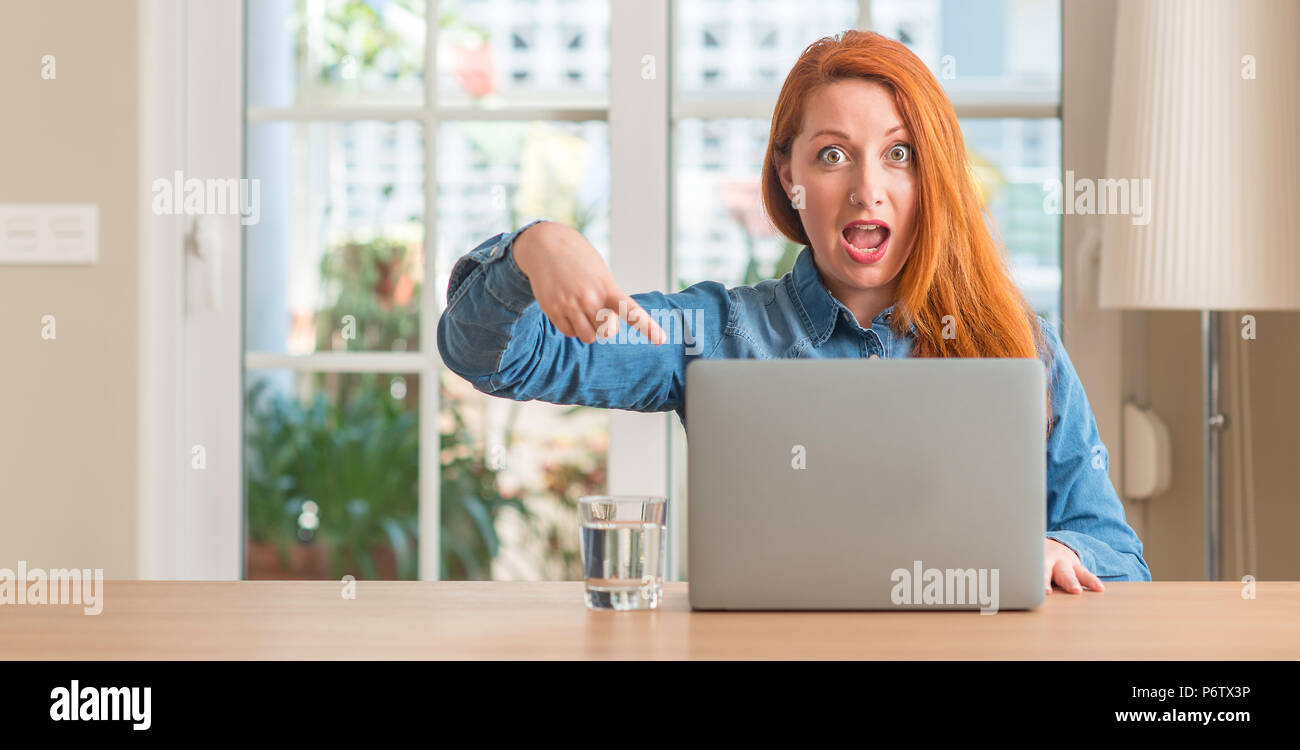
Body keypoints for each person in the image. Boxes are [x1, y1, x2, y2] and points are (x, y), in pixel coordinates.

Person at [437, 30, 1151, 593]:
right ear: (790, 176)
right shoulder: (713, 335)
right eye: (833, 154)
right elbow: (493, 356)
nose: (868, 190)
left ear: (931, 175)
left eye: (899, 154)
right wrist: (534, 248)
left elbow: (1118, 555)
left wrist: (1061, 548)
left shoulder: (1023, 347)